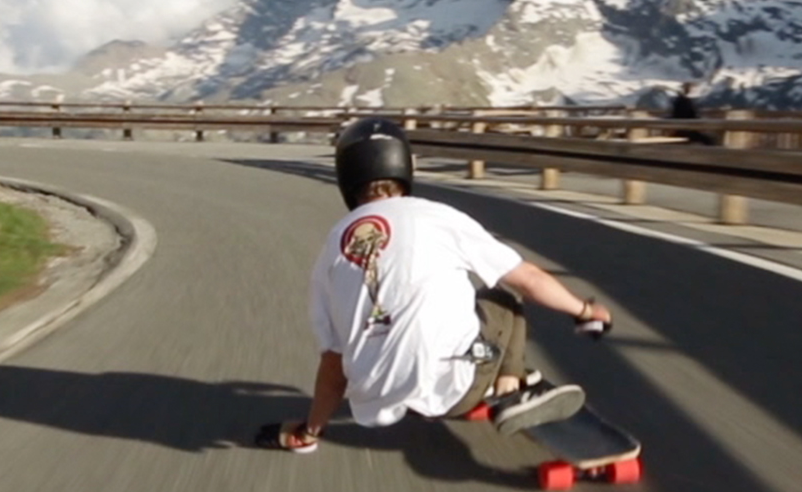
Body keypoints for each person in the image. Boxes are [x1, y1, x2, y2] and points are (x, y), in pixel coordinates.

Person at [258, 117, 614, 453]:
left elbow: (333, 366)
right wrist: (584, 310)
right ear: (403, 167)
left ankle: (474, 382)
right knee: (501, 297)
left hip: (377, 401)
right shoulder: (438, 216)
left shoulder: (331, 249)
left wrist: (309, 431)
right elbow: (530, 280)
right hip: (456, 391)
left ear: (345, 177)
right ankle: (510, 386)